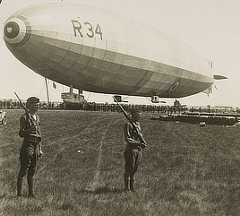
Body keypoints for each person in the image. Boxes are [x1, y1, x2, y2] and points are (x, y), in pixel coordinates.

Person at [17, 97, 43, 198]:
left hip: (36, 145)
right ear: (30, 105)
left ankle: (31, 194)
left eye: (38, 104)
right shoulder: (24, 117)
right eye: (36, 104)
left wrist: (40, 148)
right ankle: (19, 194)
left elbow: (39, 133)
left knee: (32, 170)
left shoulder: (37, 117)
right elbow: (21, 133)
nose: (38, 106)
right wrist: (29, 130)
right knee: (24, 170)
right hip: (28, 145)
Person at [123, 108, 146, 192]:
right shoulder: (128, 124)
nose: (140, 116)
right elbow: (128, 139)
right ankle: (127, 188)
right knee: (129, 169)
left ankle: (132, 188)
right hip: (131, 150)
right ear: (134, 115)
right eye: (138, 115)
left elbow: (140, 135)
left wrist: (142, 142)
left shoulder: (137, 124)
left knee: (135, 169)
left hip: (138, 150)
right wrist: (139, 143)